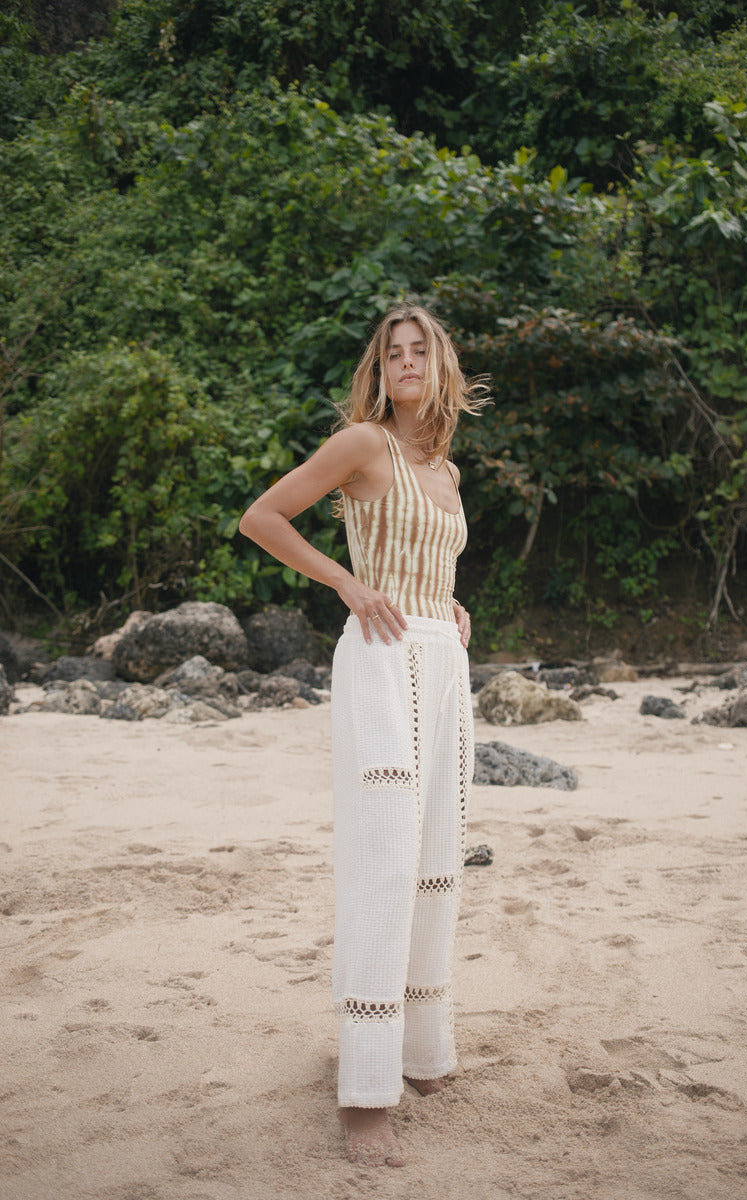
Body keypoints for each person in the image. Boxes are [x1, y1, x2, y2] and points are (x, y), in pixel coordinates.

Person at [239, 304, 488, 1167]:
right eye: (393, 353)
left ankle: (417, 1050)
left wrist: (448, 604)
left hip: (443, 664)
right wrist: (346, 583)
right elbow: (264, 518)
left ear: (441, 365)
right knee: (384, 861)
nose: (407, 362)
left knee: (436, 858)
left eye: (420, 350)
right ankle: (364, 1094)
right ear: (380, 371)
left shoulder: (448, 470)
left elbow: (425, 563)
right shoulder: (362, 443)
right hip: (380, 663)